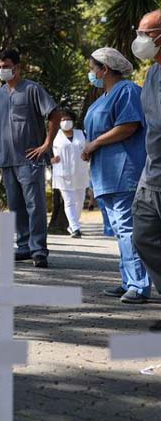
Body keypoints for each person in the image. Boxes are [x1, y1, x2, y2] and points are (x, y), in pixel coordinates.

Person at [82, 48, 150, 305]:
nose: (91, 73)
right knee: (118, 230)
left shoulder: (128, 91)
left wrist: (95, 143)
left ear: (105, 69)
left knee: (128, 229)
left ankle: (139, 285)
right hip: (105, 175)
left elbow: (129, 125)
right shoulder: (102, 98)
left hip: (124, 170)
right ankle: (127, 281)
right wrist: (90, 147)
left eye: (93, 68)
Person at [0, 49, 61, 268]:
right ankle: (24, 247)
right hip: (7, 160)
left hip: (30, 158)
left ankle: (39, 250)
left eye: (6, 66)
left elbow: (55, 114)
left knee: (35, 205)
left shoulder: (32, 89)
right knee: (16, 206)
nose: (2, 70)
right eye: (0, 67)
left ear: (17, 67)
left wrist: (47, 144)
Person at [132, 10, 161, 326]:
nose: (140, 40)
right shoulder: (152, 75)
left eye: (146, 33)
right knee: (143, 235)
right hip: (152, 174)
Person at [51, 109, 89, 238]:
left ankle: (73, 225)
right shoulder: (54, 135)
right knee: (69, 201)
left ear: (73, 120)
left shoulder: (81, 134)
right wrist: (50, 160)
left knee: (79, 201)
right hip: (62, 173)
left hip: (80, 172)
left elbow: (88, 147)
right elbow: (46, 152)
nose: (65, 122)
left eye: (67, 119)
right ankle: (75, 228)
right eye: (62, 120)